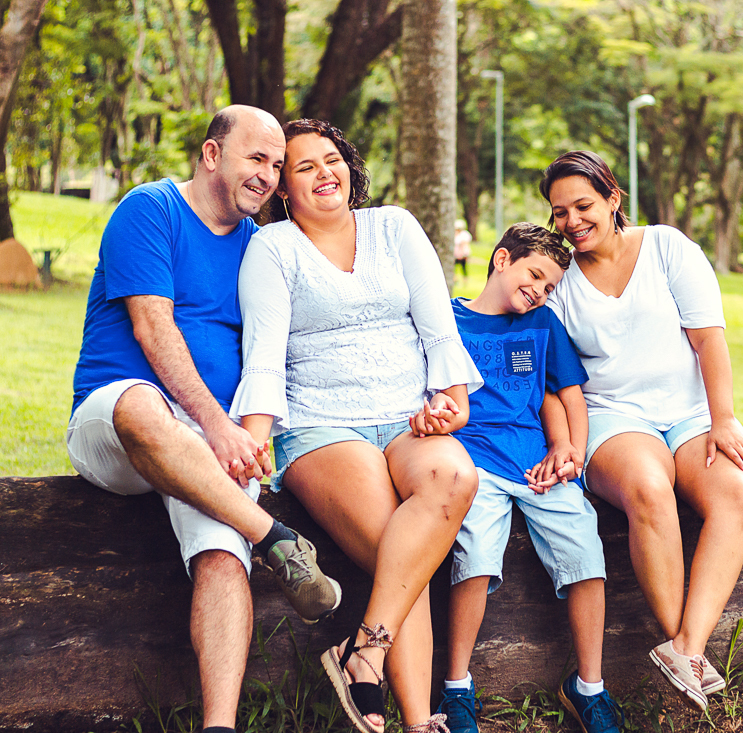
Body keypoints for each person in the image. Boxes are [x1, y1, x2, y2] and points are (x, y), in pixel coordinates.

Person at [66, 105, 342, 733]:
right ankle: (275, 538)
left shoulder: (260, 247)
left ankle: (220, 726)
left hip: (208, 442)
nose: (269, 176)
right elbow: (152, 326)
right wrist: (220, 427)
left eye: (276, 165)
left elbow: (272, 354)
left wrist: (250, 433)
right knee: (140, 404)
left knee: (222, 557)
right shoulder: (151, 209)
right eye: (257, 158)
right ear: (212, 155)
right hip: (116, 427)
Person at [232, 118, 481, 733]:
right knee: (402, 556)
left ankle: (362, 655)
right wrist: (253, 439)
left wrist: (452, 401)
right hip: (322, 424)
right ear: (283, 189)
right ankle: (421, 720)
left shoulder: (394, 227)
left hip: (407, 418)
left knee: (454, 479)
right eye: (305, 167)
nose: (325, 173)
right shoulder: (273, 248)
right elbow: (264, 354)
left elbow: (437, 329)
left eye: (332, 159)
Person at [538, 150, 743, 711]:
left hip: (688, 412)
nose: (572, 222)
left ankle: (687, 648)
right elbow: (554, 382)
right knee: (649, 486)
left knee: (737, 489)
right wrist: (567, 443)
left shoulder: (667, 247)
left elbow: (709, 339)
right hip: (612, 417)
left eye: (583, 205)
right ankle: (685, 652)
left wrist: (723, 418)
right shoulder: (560, 282)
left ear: (613, 199)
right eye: (559, 213)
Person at [437, 223, 623, 733]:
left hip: (538, 466)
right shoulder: (448, 320)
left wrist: (571, 450)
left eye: (549, 286)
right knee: (475, 556)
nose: (540, 291)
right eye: (534, 275)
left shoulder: (542, 324)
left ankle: (590, 688)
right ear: (501, 259)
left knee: (585, 550)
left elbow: (566, 395)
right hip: (472, 465)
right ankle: (456, 687)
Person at [454, 219, 473, 286]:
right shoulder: (456, 234)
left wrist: (461, 253)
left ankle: (465, 281)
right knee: (455, 268)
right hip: (456, 254)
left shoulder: (464, 235)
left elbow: (463, 244)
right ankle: (455, 280)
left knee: (463, 267)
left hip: (462, 254)